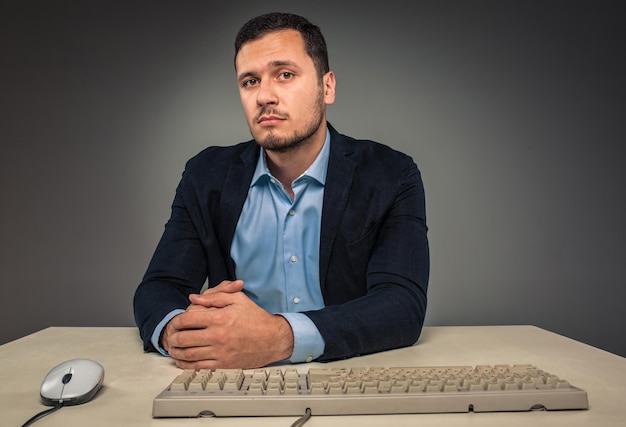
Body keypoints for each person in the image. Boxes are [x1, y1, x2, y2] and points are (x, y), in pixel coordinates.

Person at [133, 12, 429, 370]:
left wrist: (279, 337)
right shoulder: (205, 175)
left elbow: (401, 305)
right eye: (250, 81)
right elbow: (161, 287)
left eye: (285, 75)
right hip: (233, 379)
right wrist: (179, 335)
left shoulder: (390, 174)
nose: (264, 96)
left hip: (347, 374)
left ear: (327, 86)